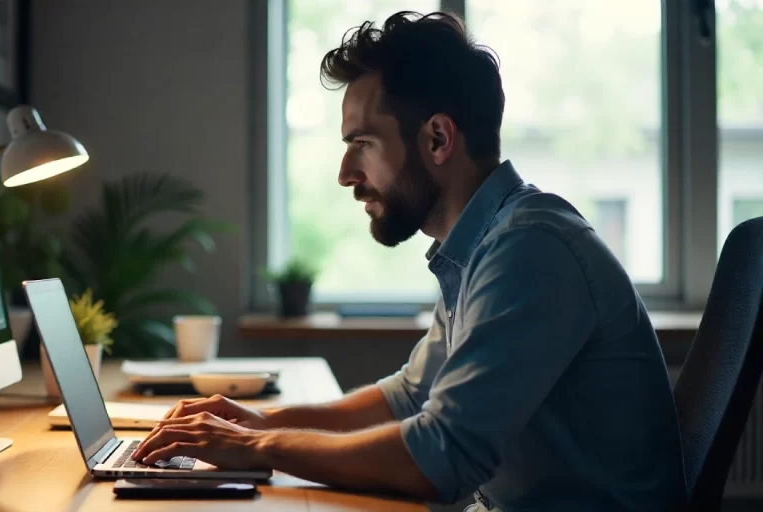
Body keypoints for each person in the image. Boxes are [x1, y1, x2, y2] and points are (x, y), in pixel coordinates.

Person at [133, 11, 686, 511]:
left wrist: (259, 446)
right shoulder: (482, 246)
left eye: (363, 143)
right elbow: (411, 396)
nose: (346, 173)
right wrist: (261, 421)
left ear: (438, 138)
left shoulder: (530, 249)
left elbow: (439, 455)